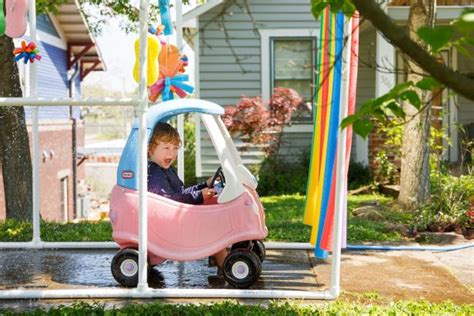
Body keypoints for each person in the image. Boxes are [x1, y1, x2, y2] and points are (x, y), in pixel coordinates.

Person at [147, 122, 227, 269]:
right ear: (150, 149)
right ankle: (227, 266)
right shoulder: (155, 173)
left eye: (175, 148)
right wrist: (199, 196)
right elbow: (168, 201)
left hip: (174, 218)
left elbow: (181, 193)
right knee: (213, 227)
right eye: (166, 148)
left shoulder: (166, 169)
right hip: (169, 225)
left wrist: (204, 185)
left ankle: (218, 259)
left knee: (212, 217)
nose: (171, 153)